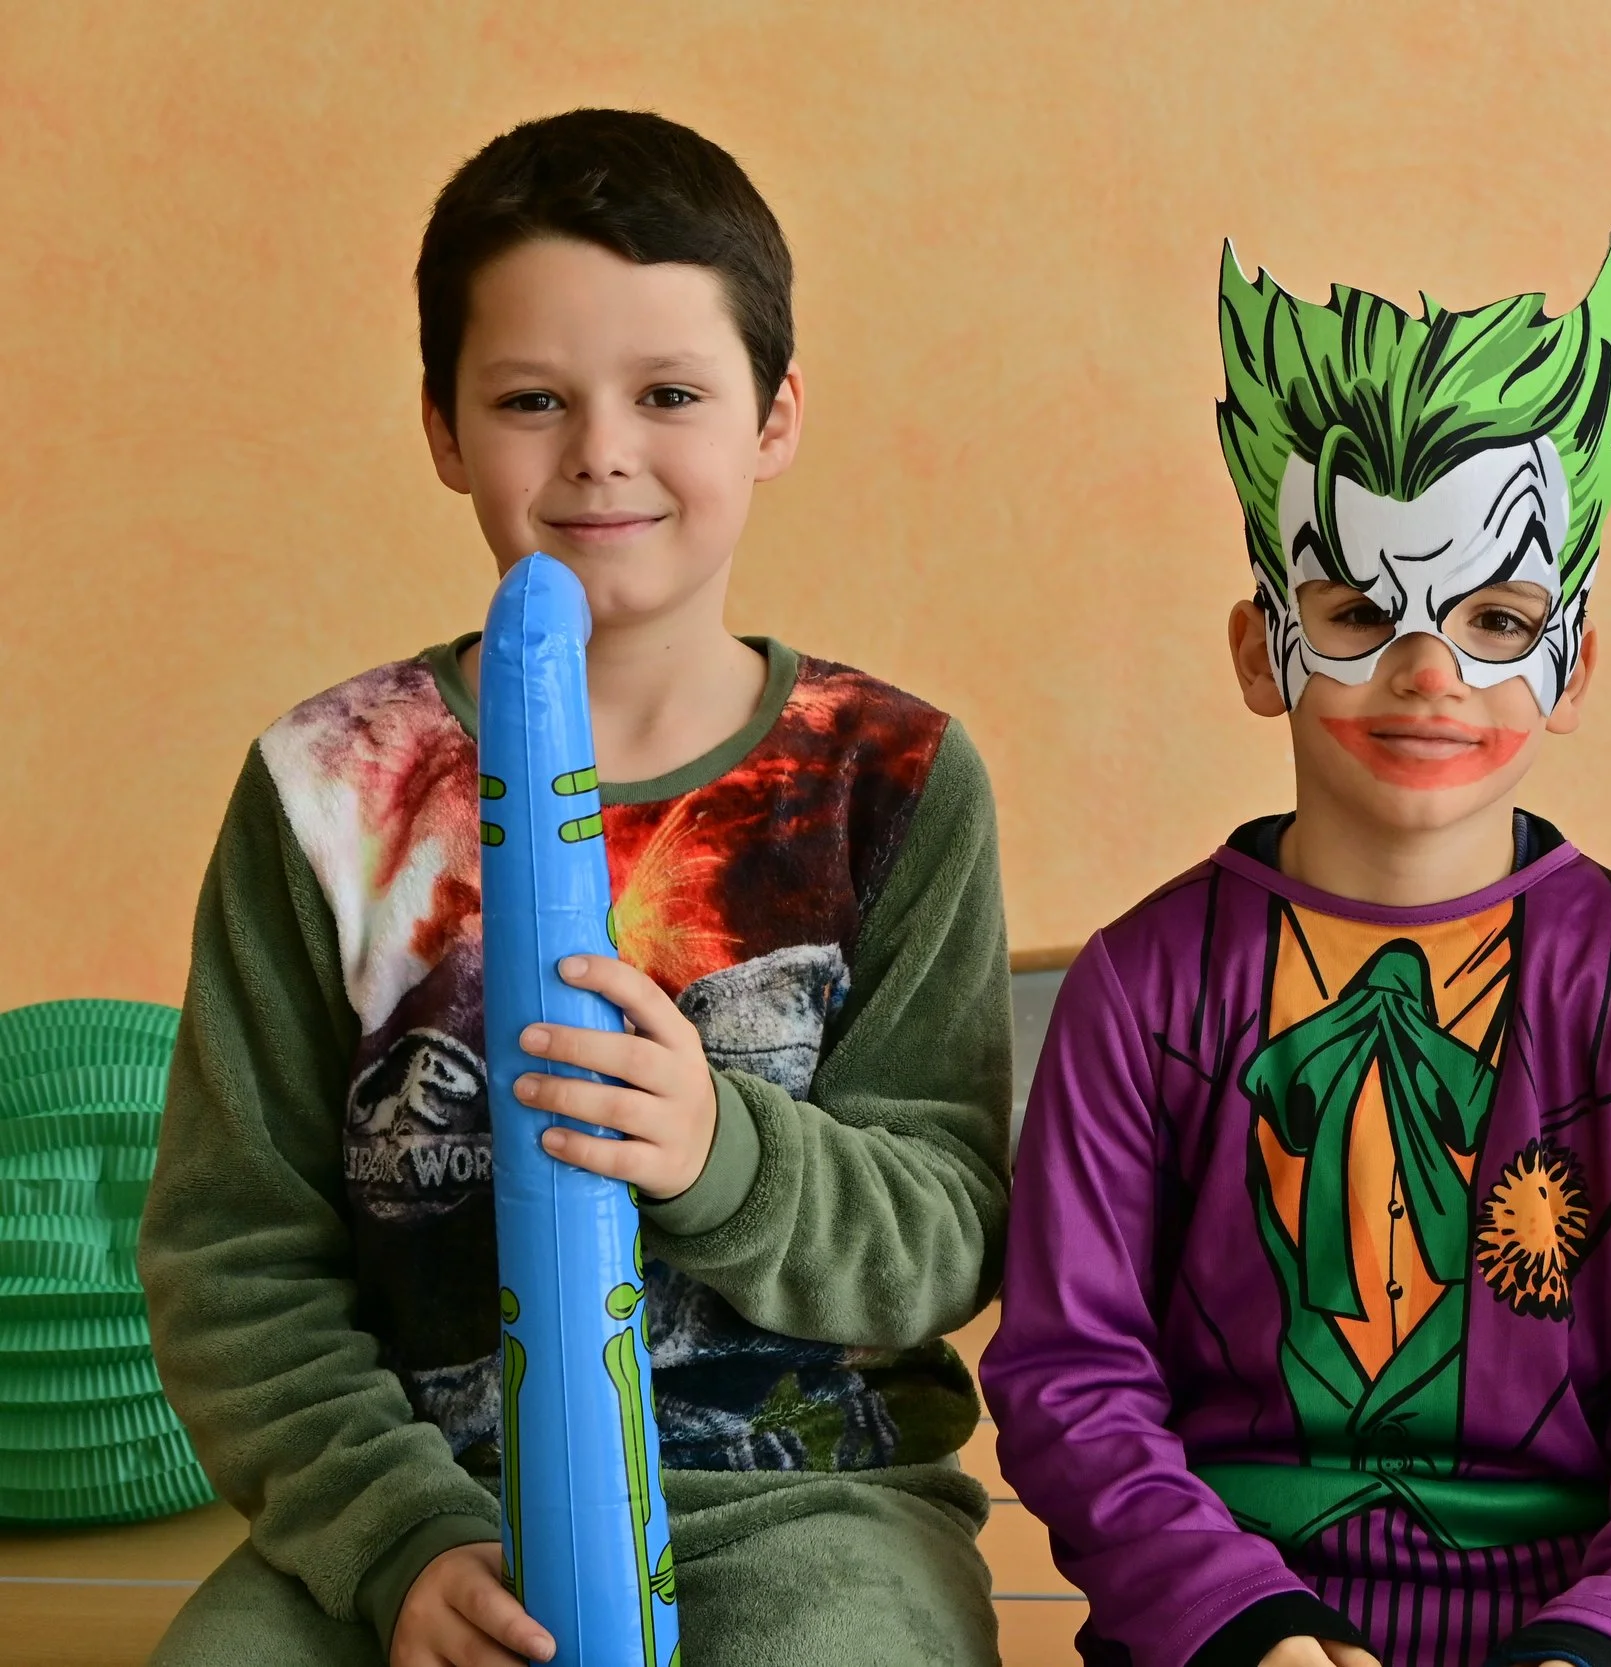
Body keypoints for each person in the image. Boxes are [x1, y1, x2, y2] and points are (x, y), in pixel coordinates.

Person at [137, 109, 1011, 1667]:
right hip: (424, 1502)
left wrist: (719, 1149)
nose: (601, 449)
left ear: (774, 414)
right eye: (532, 398)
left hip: (805, 1497)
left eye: (669, 393)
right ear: (444, 428)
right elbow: (235, 1258)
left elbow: (945, 1226)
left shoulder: (893, 779)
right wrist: (398, 1542)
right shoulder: (327, 788)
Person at [981, 240, 1611, 1667]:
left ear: (1573, 666)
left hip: (1583, 1623)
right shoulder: (1141, 989)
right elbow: (1070, 1376)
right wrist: (1244, 1626)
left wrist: (1601, 1640)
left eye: (1497, 621)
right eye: (1358, 613)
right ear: (1260, 649)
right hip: (1226, 1622)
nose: (1430, 672)